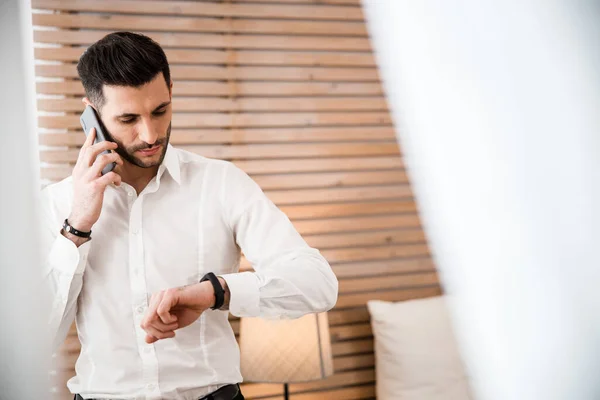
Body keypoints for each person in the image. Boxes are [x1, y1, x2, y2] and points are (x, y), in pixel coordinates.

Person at [41, 31, 339, 400]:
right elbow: (35, 340)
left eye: (160, 111)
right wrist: (77, 227)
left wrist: (215, 293)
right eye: (128, 118)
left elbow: (317, 283)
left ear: (171, 91)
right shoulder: (56, 204)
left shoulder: (221, 183)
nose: (150, 134)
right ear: (92, 114)